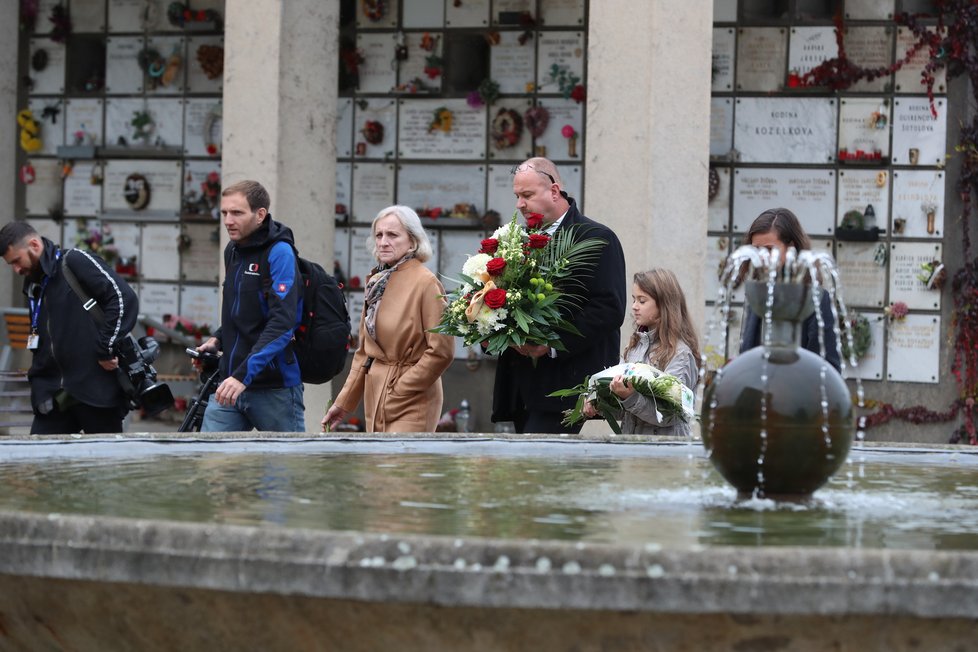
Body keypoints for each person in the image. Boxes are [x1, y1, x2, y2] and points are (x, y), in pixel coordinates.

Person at [492, 157, 627, 434]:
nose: (519, 204)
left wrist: (551, 344)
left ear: (554, 191)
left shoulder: (596, 238)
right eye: (517, 196)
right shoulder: (516, 240)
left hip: (565, 388)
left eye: (527, 195)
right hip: (520, 386)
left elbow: (609, 309)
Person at [322, 205, 454, 432]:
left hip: (412, 398)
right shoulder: (376, 282)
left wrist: (401, 389)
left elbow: (441, 351)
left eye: (392, 235)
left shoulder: (425, 282)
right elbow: (366, 352)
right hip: (377, 394)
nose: (383, 242)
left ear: (412, 242)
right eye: (379, 235)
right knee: (378, 467)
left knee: (399, 466)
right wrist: (343, 403)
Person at [0, 221, 138, 434]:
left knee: (105, 465)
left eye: (17, 260)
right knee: (41, 463)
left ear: (34, 245)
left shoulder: (74, 261)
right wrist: (38, 386)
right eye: (11, 264)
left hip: (96, 391)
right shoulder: (33, 285)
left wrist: (105, 347)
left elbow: (123, 298)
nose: (16, 269)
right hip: (53, 396)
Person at [196, 180, 305, 431]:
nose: (228, 220)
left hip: (274, 388)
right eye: (224, 213)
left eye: (237, 213)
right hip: (229, 386)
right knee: (215, 466)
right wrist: (217, 339)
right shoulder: (232, 251)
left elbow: (281, 324)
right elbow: (242, 311)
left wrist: (242, 375)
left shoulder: (280, 252)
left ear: (260, 215)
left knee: (282, 469)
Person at [585, 269, 700, 436]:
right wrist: (599, 405)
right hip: (632, 449)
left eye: (642, 301)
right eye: (633, 299)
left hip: (665, 455)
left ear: (663, 305)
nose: (634, 306)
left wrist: (630, 397)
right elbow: (626, 411)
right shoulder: (634, 347)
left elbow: (672, 415)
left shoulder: (680, 354)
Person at [739, 207, 841, 371]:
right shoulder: (756, 296)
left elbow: (829, 370)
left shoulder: (816, 300)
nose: (761, 258)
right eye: (756, 250)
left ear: (791, 248)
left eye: (770, 250)